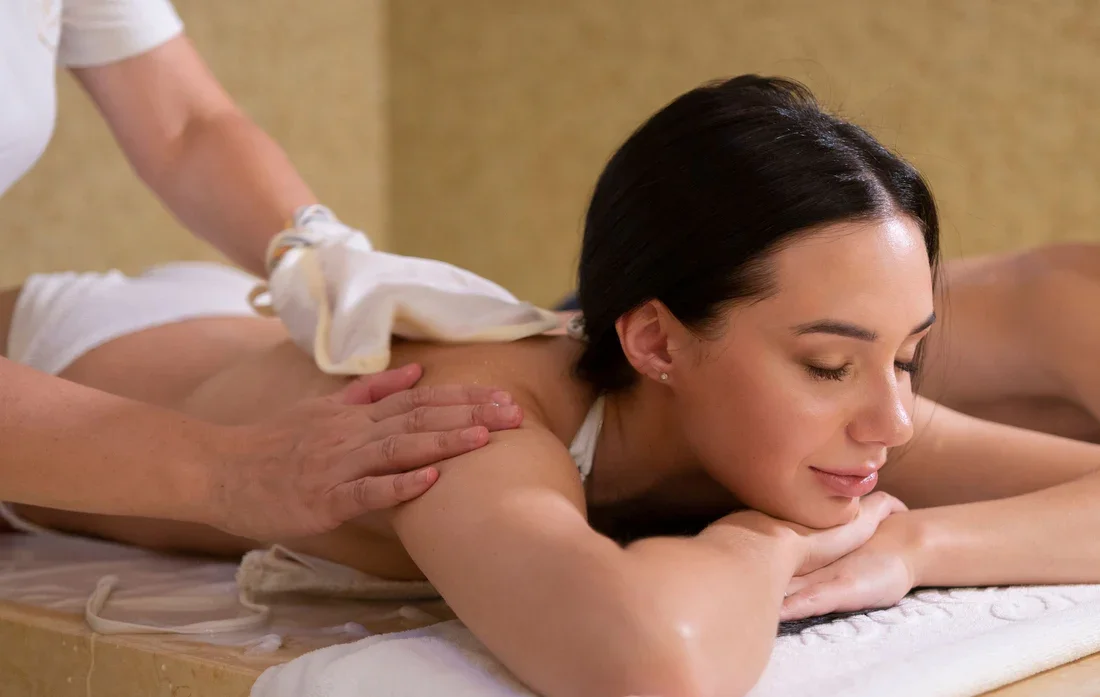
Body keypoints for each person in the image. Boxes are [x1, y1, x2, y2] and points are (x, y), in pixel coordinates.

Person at [6, 75, 1100, 697]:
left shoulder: (832, 417)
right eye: (826, 362)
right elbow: (643, 666)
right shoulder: (469, 426)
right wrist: (765, 544)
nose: (891, 416)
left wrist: (912, 546)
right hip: (62, 361)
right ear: (656, 343)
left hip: (227, 325)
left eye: (905, 353)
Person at [0, 1, 523, 540]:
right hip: (78, 350)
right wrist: (225, 473)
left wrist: (322, 255)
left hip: (167, 319)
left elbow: (187, 124)